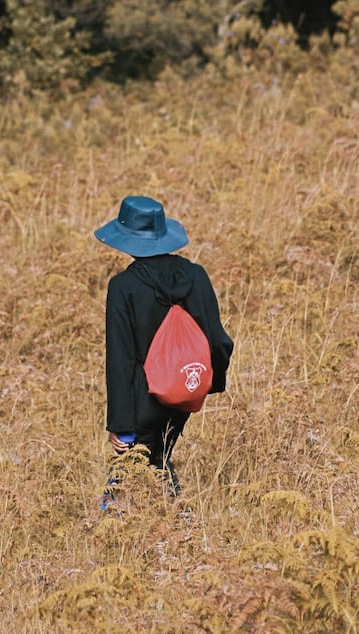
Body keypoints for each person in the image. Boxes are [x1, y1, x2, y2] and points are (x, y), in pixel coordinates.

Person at [94, 196, 233, 501]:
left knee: (123, 476)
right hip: (185, 391)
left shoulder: (123, 287)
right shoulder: (196, 276)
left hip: (142, 400)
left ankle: (119, 534)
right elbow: (220, 341)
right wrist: (208, 384)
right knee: (158, 459)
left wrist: (119, 424)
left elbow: (121, 360)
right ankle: (176, 525)